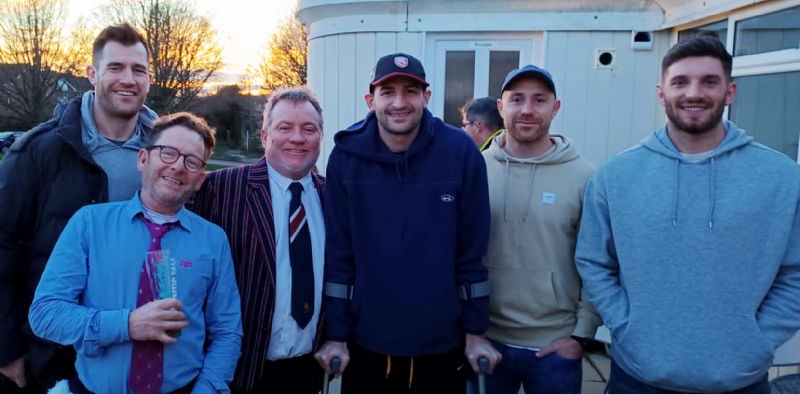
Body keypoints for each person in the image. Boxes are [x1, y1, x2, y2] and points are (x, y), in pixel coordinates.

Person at [575, 35, 800, 394]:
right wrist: (625, 326)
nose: (693, 93)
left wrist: (755, 341)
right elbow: (593, 261)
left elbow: (796, 274)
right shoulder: (615, 176)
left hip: (738, 381)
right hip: (636, 378)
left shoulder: (783, 178)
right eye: (680, 82)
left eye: (709, 81)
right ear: (661, 92)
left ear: (730, 92)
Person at [314, 52, 502, 394]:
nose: (399, 102)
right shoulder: (346, 157)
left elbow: (472, 254)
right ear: (371, 100)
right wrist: (336, 336)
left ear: (426, 98)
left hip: (441, 346)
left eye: (411, 91)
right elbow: (339, 257)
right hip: (368, 345)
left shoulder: (460, 153)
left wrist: (476, 333)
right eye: (388, 92)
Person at [28, 112, 242, 394]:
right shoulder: (90, 224)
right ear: (143, 159)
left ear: (200, 178)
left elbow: (227, 331)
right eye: (168, 153)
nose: (178, 166)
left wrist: (208, 389)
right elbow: (46, 314)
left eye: (191, 161)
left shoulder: (213, 240)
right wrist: (127, 325)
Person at [0, 23, 156, 393]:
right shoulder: (40, 151)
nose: (128, 79)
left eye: (138, 69)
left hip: (133, 348)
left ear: (149, 78)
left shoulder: (167, 153)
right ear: (92, 74)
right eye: (115, 67)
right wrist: (7, 350)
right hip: (49, 354)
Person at [192, 86, 325, 393]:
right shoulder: (219, 189)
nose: (297, 137)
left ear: (320, 135)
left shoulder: (334, 197)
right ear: (265, 136)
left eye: (309, 128)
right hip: (239, 373)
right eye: (284, 127)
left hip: (307, 373)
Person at [476, 65, 601, 394]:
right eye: (516, 99)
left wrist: (581, 335)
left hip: (555, 347)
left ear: (555, 107)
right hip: (485, 342)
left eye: (539, 100)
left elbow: (599, 259)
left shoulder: (585, 176)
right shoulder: (475, 169)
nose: (527, 110)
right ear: (501, 107)